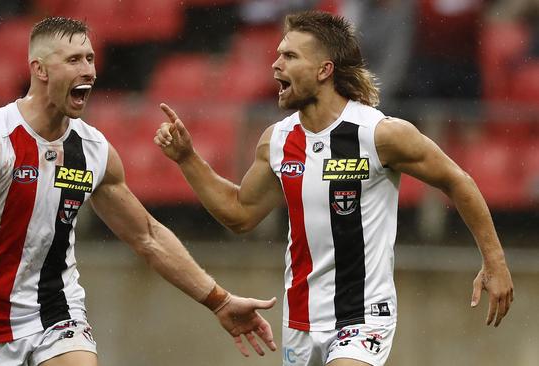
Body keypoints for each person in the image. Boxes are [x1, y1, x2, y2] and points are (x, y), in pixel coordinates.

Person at [154, 10, 514, 366]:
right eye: (278, 54)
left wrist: (494, 261)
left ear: (324, 70)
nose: (276, 65)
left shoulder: (380, 134)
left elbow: (456, 180)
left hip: (363, 316)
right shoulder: (277, 141)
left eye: (290, 56)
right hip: (300, 320)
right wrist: (188, 158)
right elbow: (239, 214)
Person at [0, 17, 277, 366]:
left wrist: (219, 300)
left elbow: (148, 236)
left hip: (58, 310)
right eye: (74, 60)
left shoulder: (94, 150)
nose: (89, 71)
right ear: (40, 69)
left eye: (90, 59)